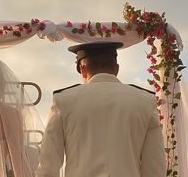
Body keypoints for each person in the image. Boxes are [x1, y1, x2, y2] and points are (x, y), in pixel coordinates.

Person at [35, 41, 166, 177]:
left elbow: (48, 166)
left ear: (83, 69)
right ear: (116, 69)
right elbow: (155, 167)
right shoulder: (144, 101)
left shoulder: (63, 100)